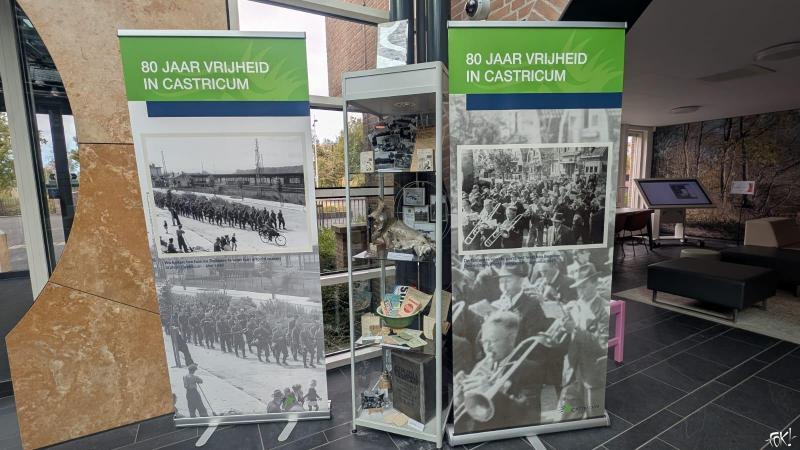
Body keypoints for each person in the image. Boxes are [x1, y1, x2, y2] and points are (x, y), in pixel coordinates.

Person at [557, 264, 609, 421]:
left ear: (595, 284)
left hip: (592, 376)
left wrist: (575, 329)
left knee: (594, 415)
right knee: (564, 412)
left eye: (584, 287)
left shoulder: (604, 309)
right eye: (577, 288)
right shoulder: (575, 306)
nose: (579, 292)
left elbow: (603, 346)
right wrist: (562, 329)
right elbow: (565, 342)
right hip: (573, 373)